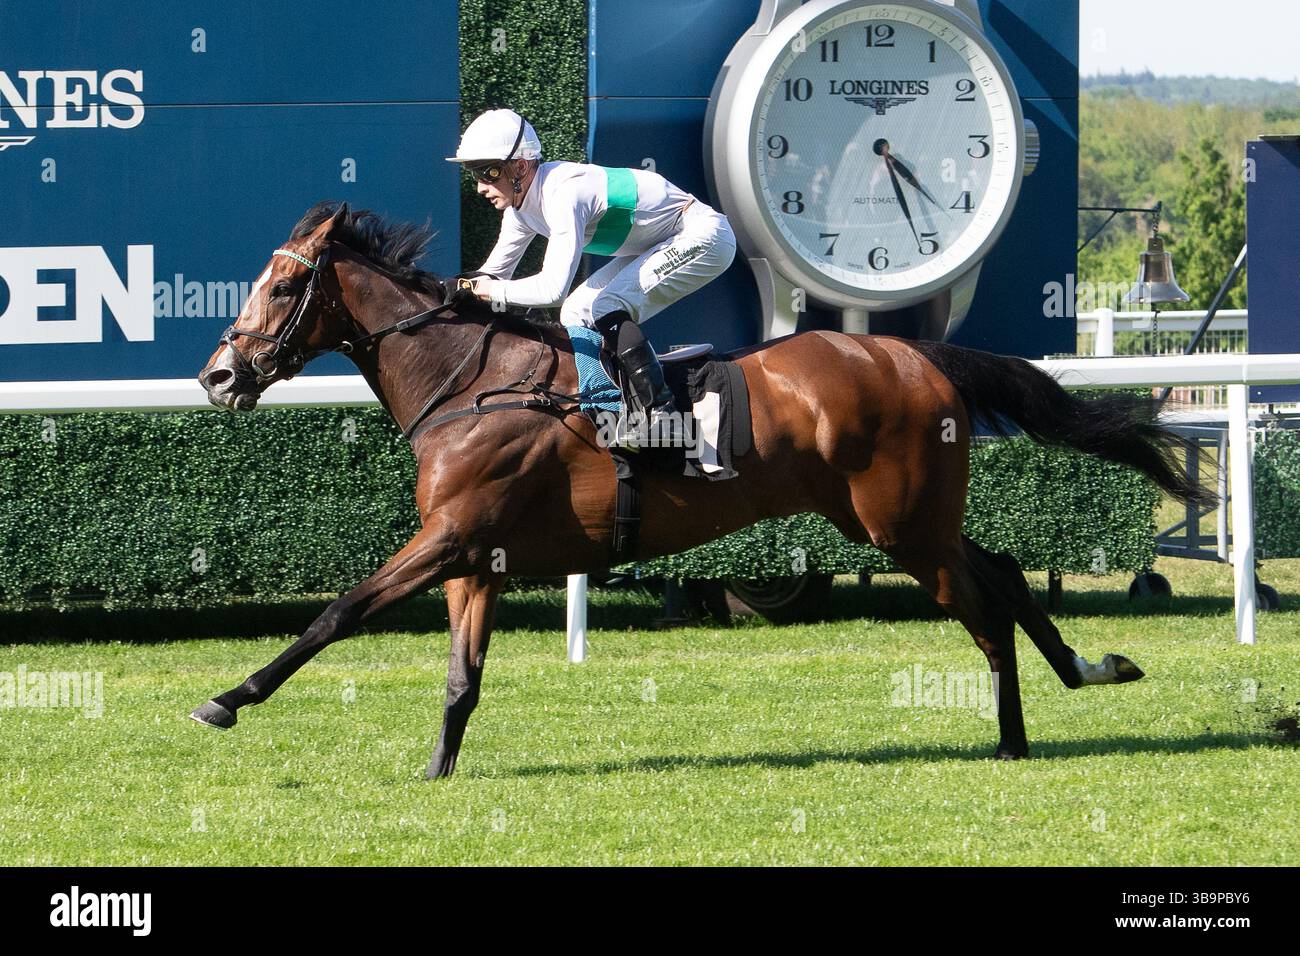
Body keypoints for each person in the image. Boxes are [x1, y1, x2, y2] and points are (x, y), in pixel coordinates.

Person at [445, 108, 737, 446]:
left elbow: (551, 289)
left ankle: (662, 414)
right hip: (663, 240)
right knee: (575, 311)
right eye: (474, 174)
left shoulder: (563, 193)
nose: (481, 187)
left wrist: (485, 291)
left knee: (606, 304)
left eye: (488, 172)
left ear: (520, 167)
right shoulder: (520, 210)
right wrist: (449, 289)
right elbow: (491, 276)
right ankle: (606, 409)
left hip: (704, 235)